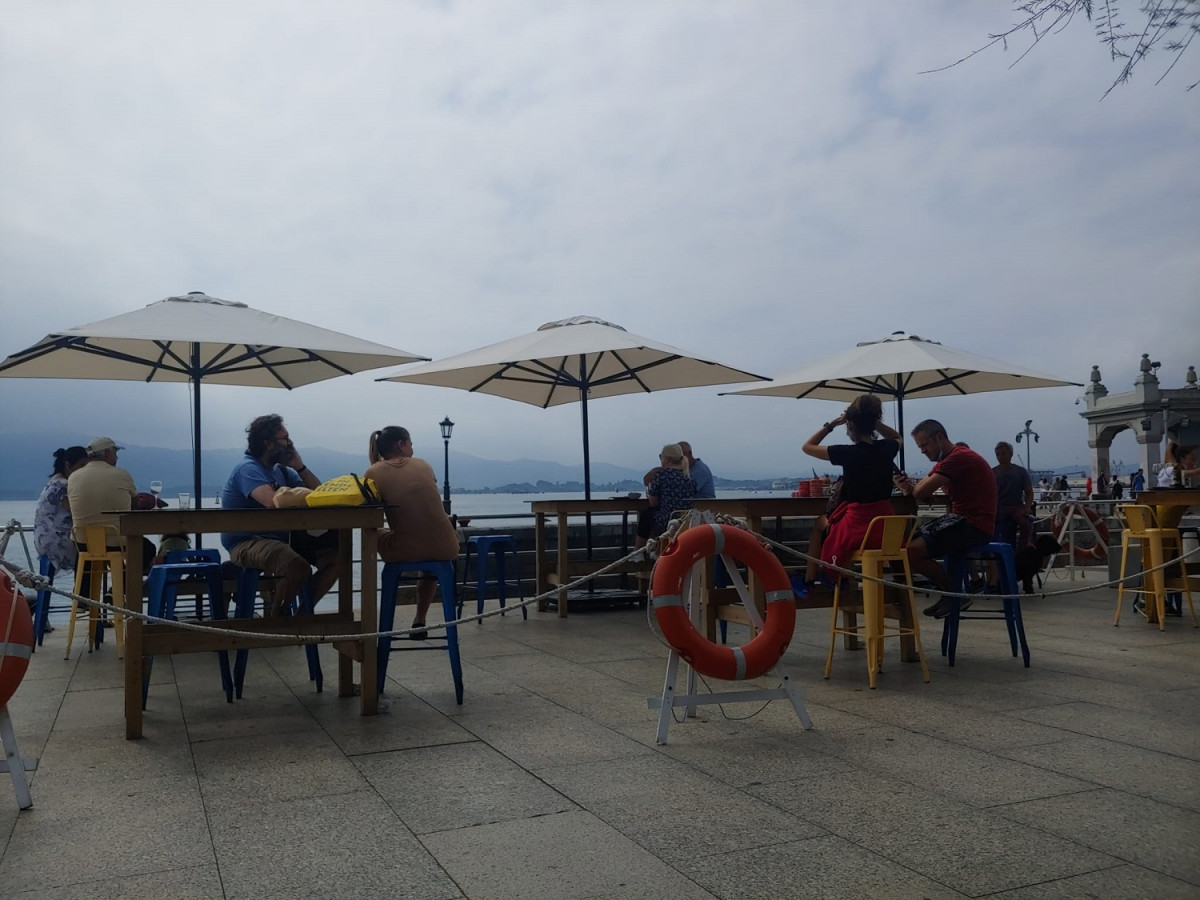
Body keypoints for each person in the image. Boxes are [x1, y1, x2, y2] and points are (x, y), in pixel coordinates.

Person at [220, 414, 336, 616]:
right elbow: (272, 502)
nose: (290, 443)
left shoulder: (281, 471)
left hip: (284, 540)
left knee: (336, 560)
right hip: (247, 541)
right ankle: (278, 619)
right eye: (285, 438)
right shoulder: (247, 469)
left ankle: (301, 615)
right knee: (299, 567)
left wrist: (300, 467)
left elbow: (321, 495)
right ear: (268, 443)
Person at [893, 420, 997, 618]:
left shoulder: (957, 458)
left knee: (910, 551)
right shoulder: (951, 459)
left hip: (974, 525)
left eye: (924, 445)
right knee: (906, 544)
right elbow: (923, 487)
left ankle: (953, 594)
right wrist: (913, 488)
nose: (923, 451)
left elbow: (921, 490)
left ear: (939, 438)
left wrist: (909, 489)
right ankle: (948, 593)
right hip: (966, 521)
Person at [798, 395, 901, 591]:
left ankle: (815, 579)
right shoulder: (887, 448)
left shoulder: (847, 453)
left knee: (821, 522)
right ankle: (838, 578)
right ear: (872, 422)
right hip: (886, 529)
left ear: (850, 424)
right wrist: (874, 422)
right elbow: (897, 437)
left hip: (859, 528)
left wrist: (832, 425)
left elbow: (807, 447)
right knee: (835, 521)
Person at [364, 426, 459, 639]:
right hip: (446, 547)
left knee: (371, 529)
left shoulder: (373, 472)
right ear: (401, 444)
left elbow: (372, 511)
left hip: (404, 550)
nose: (413, 449)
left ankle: (372, 620)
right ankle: (419, 619)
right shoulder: (424, 465)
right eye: (411, 444)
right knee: (428, 554)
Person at [67, 436, 156, 572]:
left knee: (85, 557)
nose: (117, 457)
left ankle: (81, 592)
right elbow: (134, 506)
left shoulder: (73, 477)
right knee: (148, 549)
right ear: (108, 453)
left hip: (83, 542)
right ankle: (124, 587)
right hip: (117, 543)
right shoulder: (122, 475)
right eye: (115, 453)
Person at [34, 445, 88, 574]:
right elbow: (76, 509)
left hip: (43, 539)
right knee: (91, 552)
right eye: (81, 466)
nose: (84, 471)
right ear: (68, 465)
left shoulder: (54, 481)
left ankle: (83, 590)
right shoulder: (65, 485)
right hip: (56, 541)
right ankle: (83, 591)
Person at [635, 444, 696, 550]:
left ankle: (639, 550)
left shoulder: (660, 476)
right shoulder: (689, 477)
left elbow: (653, 503)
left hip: (666, 519)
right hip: (685, 520)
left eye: (661, 456)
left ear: (667, 459)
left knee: (646, 515)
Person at [992, 441, 1033, 549]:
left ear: (1010, 454)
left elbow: (1029, 492)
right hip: (998, 509)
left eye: (1003, 454)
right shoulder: (992, 472)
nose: (1000, 457)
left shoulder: (1021, 472)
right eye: (998, 454)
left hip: (1016, 508)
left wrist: (1026, 508)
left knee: (1025, 524)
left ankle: (1021, 551)